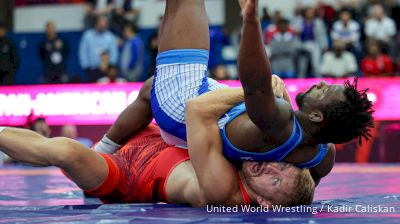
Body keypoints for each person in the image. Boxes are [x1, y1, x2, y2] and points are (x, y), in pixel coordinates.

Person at [96, 0, 353, 185]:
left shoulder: (279, 121)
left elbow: (255, 85)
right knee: (153, 86)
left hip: (185, 108)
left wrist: (251, 22)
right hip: (197, 119)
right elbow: (301, 194)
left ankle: (102, 152)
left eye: (325, 90)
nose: (320, 84)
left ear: (318, 117)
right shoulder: (322, 155)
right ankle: (104, 150)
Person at [0, 89, 315, 207]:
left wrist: (256, 94)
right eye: (282, 167)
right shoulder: (257, 164)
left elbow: (197, 109)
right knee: (153, 89)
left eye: (275, 180)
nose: (271, 167)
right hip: (157, 141)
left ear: (264, 203)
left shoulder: (219, 191)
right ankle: (106, 144)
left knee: (66, 152)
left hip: (125, 176)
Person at [79, 16, 118, 82]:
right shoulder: (88, 36)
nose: (103, 25)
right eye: (101, 23)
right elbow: (83, 52)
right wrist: (86, 66)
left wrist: (111, 66)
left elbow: (114, 53)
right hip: (91, 70)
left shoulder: (110, 36)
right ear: (96, 24)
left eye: (105, 24)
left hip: (107, 70)